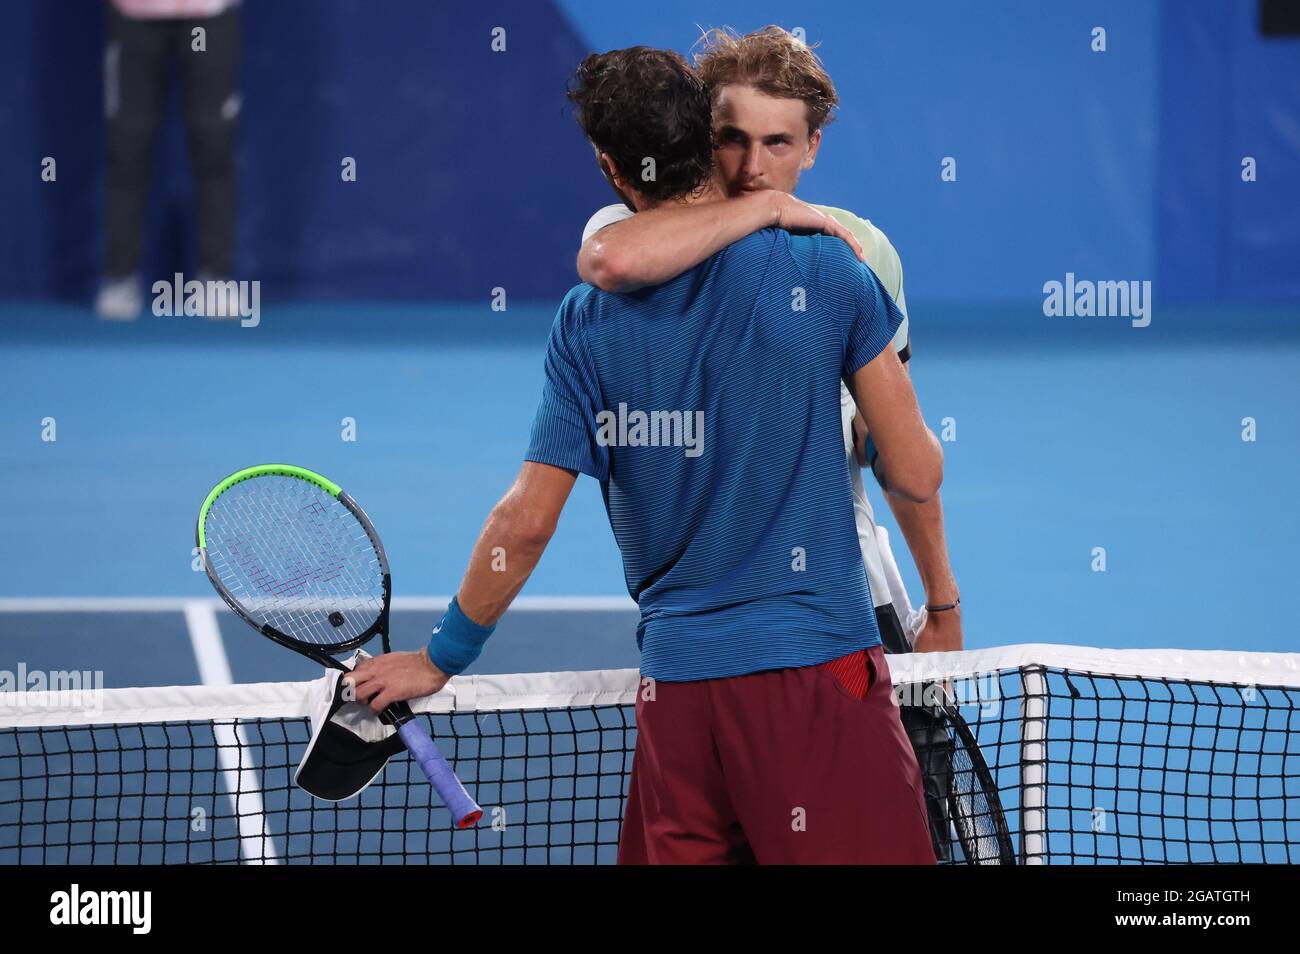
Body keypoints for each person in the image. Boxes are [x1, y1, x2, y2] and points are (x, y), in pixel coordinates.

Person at [348, 46, 941, 864]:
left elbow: (522, 524)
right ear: (707, 137)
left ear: (610, 166)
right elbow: (912, 473)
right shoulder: (832, 270)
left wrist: (440, 656)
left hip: (680, 697)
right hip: (823, 675)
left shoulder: (586, 321)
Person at [578, 27, 964, 666]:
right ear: (704, 139)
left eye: (777, 143)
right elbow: (610, 258)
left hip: (847, 591)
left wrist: (942, 602)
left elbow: (898, 463)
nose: (752, 169)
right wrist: (772, 211)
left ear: (811, 147)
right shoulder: (632, 232)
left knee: (905, 769)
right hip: (700, 607)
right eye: (732, 139)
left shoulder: (861, 250)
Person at [97, 0, 242, 320]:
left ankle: (216, 278)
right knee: (127, 146)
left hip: (209, 17)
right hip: (133, 16)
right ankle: (120, 277)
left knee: (214, 144)